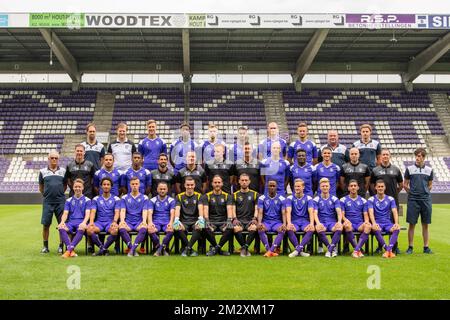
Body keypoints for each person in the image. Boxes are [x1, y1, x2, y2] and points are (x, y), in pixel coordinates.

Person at [404, 148, 434, 254]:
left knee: (425, 224)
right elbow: (405, 184)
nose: (418, 157)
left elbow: (430, 185)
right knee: (412, 224)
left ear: (424, 157)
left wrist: (425, 192)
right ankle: (410, 247)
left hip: (425, 200)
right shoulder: (410, 169)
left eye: (420, 156)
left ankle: (426, 247)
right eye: (416, 156)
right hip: (413, 200)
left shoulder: (429, 170)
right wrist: (411, 193)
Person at [38, 150, 67, 254]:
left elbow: (65, 185)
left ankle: (61, 246)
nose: (54, 160)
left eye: (56, 158)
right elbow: (41, 187)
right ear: (48, 159)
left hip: (60, 202)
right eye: (52, 158)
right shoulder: (42, 171)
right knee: (46, 225)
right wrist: (47, 194)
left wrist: (59, 194)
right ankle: (45, 246)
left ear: (58, 159)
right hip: (48, 202)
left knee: (61, 225)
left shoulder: (63, 171)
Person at [201, 175, 234, 256]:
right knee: (205, 226)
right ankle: (219, 249)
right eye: (215, 182)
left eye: (219, 182)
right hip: (212, 221)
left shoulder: (227, 196)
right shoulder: (206, 196)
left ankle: (215, 249)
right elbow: (205, 210)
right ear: (212, 184)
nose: (217, 184)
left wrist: (229, 221)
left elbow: (230, 210)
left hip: (223, 221)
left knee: (230, 227)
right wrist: (207, 222)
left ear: (222, 184)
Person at [88, 177, 121, 256]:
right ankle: (103, 249)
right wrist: (91, 222)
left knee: (115, 230)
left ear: (111, 186)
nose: (106, 186)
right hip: (99, 222)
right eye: (104, 184)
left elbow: (117, 212)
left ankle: (102, 249)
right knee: (89, 230)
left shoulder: (116, 199)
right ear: (101, 186)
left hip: (109, 222)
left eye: (108, 184)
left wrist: (114, 222)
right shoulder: (96, 199)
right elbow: (93, 211)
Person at [367, 180, 401, 258]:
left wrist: (396, 223)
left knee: (396, 228)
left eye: (382, 186)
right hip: (378, 223)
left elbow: (394, 211)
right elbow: (371, 213)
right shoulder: (371, 199)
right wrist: (374, 223)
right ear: (375, 188)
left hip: (387, 223)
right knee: (375, 229)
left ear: (385, 188)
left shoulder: (390, 199)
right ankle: (388, 250)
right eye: (378, 186)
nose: (380, 188)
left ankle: (388, 251)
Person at [58, 179, 91, 258]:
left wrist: (84, 223)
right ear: (73, 188)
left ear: (83, 188)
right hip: (71, 222)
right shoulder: (68, 200)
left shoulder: (87, 200)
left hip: (81, 222)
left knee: (81, 228)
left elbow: (87, 214)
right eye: (76, 187)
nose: (77, 188)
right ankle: (71, 250)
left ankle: (68, 251)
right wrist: (62, 222)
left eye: (79, 187)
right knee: (61, 227)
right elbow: (65, 213)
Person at [173, 176, 204, 257]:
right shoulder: (179, 196)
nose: (190, 187)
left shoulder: (199, 196)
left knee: (199, 227)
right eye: (188, 185)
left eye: (191, 185)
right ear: (184, 185)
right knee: (177, 227)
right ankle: (190, 248)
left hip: (195, 221)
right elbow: (177, 209)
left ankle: (187, 248)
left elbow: (200, 208)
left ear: (194, 185)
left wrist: (200, 219)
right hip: (184, 221)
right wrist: (177, 220)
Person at [340, 180, 371, 258]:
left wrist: (366, 222)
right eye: (351, 186)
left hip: (359, 224)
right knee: (347, 226)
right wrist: (346, 220)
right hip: (349, 223)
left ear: (358, 187)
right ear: (348, 188)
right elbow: (342, 214)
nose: (353, 187)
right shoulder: (343, 200)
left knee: (368, 226)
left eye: (355, 186)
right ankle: (358, 250)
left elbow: (365, 214)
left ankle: (356, 250)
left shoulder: (363, 200)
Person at [118, 177, 149, 257]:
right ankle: (133, 249)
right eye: (133, 184)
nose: (134, 186)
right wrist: (122, 220)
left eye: (136, 184)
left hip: (139, 222)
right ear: (130, 185)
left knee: (144, 228)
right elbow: (123, 210)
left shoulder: (144, 197)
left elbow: (145, 211)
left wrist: (144, 221)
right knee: (121, 228)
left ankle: (132, 250)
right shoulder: (124, 197)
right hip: (128, 222)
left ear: (139, 185)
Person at [313, 178, 343, 258]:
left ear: (329, 187)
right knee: (319, 228)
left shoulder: (334, 199)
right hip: (322, 222)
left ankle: (329, 250)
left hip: (332, 222)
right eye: (323, 186)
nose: (325, 187)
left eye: (326, 186)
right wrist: (318, 223)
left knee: (339, 228)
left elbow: (339, 212)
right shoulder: (316, 199)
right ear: (320, 187)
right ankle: (332, 249)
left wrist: (339, 222)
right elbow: (315, 213)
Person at [257, 180, 287, 257]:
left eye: (274, 186)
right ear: (267, 187)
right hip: (266, 222)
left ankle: (270, 251)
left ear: (276, 187)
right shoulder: (262, 198)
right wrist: (259, 223)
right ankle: (269, 250)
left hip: (277, 222)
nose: (272, 187)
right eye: (270, 186)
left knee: (282, 229)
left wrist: (284, 224)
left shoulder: (282, 199)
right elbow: (260, 212)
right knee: (260, 228)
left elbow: (283, 212)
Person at [286, 179, 315, 258]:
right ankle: (300, 251)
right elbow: (288, 211)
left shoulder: (308, 198)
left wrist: (312, 224)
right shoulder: (290, 198)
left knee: (311, 229)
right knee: (289, 229)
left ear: (303, 187)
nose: (297, 188)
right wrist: (289, 223)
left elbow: (311, 211)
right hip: (294, 221)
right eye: (295, 186)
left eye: (299, 186)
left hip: (304, 222)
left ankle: (297, 250)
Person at [232, 173, 259, 257]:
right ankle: (245, 248)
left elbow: (257, 208)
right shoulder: (234, 195)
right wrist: (235, 219)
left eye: (246, 180)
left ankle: (244, 248)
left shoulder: (255, 194)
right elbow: (233, 209)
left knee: (254, 227)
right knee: (236, 228)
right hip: (239, 220)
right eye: (242, 180)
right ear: (239, 181)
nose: (244, 182)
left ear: (249, 182)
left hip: (250, 220)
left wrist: (255, 218)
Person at [147, 182, 176, 256]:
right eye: (160, 189)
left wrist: (171, 222)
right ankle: (162, 249)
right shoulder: (152, 200)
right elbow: (150, 212)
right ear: (157, 189)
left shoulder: (171, 200)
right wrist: (150, 223)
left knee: (171, 229)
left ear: (167, 190)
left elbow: (172, 213)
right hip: (156, 222)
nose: (162, 191)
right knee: (150, 229)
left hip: (167, 222)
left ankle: (159, 250)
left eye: (164, 189)